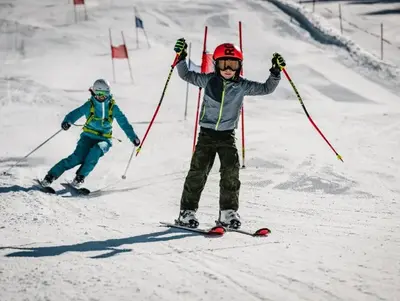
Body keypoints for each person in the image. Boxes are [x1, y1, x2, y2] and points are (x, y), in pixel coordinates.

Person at [173, 38, 285, 229]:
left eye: (232, 64)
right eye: (224, 64)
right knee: (198, 172)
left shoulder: (242, 85)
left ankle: (228, 212)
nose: (228, 69)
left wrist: (275, 72)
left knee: (231, 173)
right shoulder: (208, 80)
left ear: (239, 66)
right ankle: (187, 212)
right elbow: (186, 75)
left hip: (227, 136)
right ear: (216, 65)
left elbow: (266, 88)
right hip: (207, 134)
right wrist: (181, 57)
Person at [41, 79, 140, 188]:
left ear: (108, 93)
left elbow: (124, 123)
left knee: (96, 151)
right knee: (77, 158)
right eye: (98, 94)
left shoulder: (113, 108)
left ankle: (80, 177)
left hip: (104, 139)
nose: (101, 97)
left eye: (104, 94)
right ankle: (50, 176)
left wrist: (133, 137)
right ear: (93, 92)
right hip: (87, 137)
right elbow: (76, 113)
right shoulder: (89, 105)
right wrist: (67, 121)